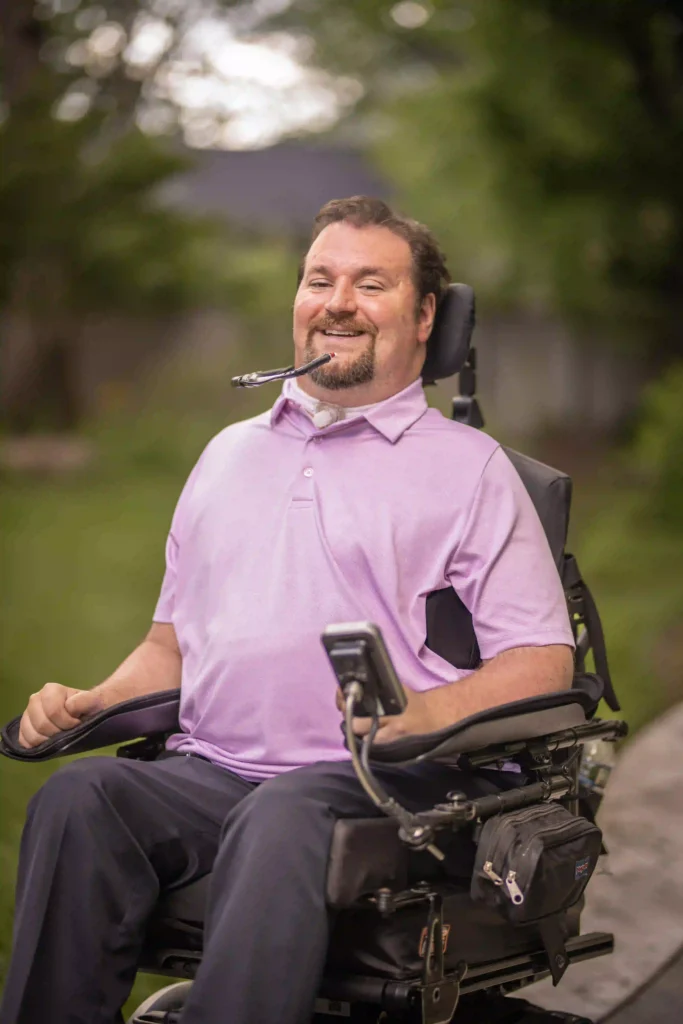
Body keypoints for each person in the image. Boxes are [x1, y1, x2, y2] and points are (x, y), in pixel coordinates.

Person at [0, 197, 575, 1024]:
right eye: (319, 280)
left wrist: (424, 715)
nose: (337, 303)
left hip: (387, 785)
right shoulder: (226, 455)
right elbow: (172, 645)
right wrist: (93, 702)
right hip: (214, 773)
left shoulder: (473, 471)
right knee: (80, 799)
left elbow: (541, 663)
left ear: (424, 318)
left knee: (284, 810)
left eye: (370, 284)